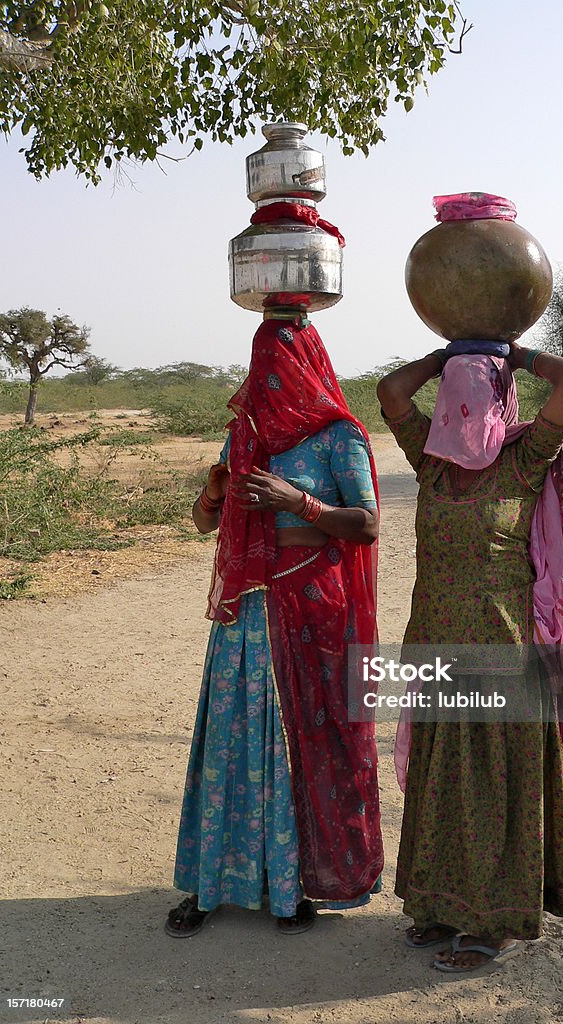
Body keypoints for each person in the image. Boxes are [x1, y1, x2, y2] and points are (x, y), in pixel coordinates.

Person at [166, 317, 384, 938]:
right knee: (235, 741)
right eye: (261, 360)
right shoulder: (245, 436)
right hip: (247, 616)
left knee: (309, 743)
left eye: (281, 360)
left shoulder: (338, 435)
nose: (268, 374)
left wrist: (298, 501)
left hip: (314, 606)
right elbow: (206, 525)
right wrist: (213, 495)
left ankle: (299, 884)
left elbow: (366, 525)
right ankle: (215, 881)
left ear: (309, 363)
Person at [376, 340, 563, 972]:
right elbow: (391, 392)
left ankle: (492, 921)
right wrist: (448, 355)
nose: (461, 410)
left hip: (502, 649)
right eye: (452, 399)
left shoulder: (524, 460)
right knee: (443, 779)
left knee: (493, 786)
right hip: (436, 643)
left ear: (498, 404)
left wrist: (512, 356)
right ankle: (439, 908)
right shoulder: (432, 465)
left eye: (475, 397)